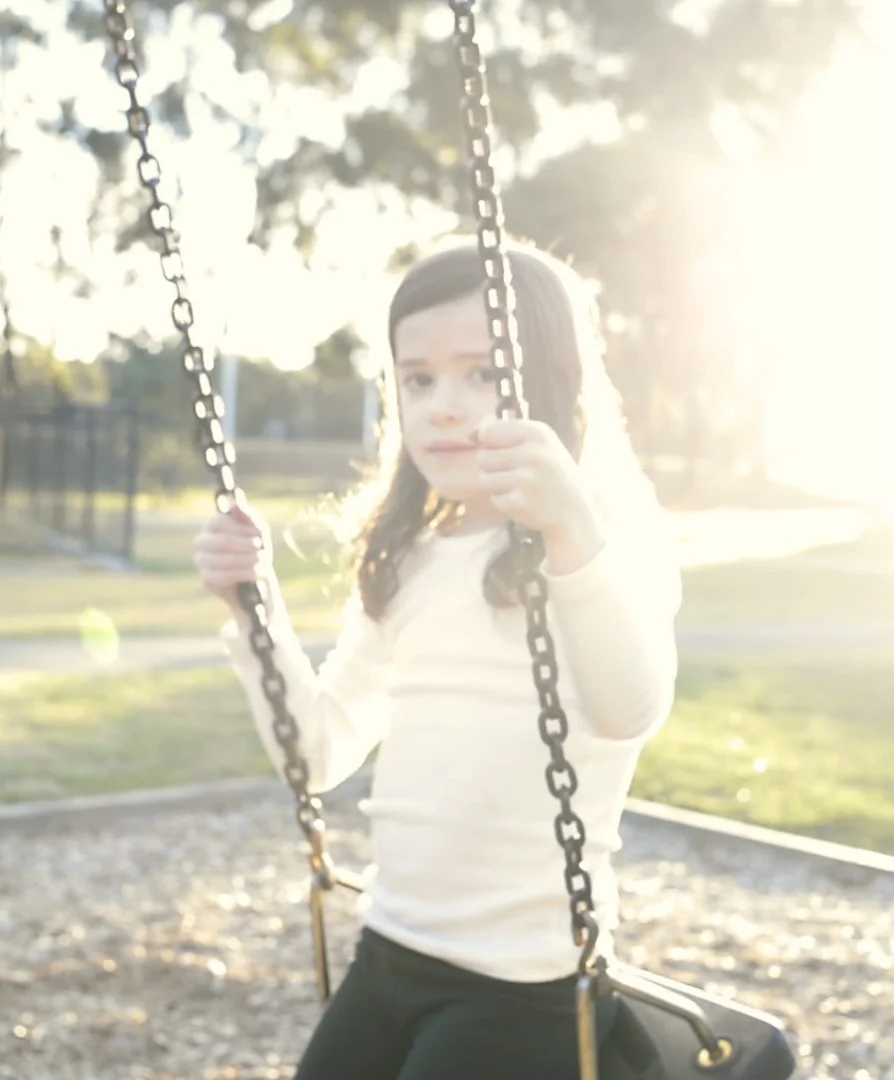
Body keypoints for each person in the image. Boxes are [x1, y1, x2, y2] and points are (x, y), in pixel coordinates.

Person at [193, 241, 682, 1080]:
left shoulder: (604, 550)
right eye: (418, 379)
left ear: (555, 387)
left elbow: (627, 709)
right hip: (392, 950)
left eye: (484, 374)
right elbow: (318, 752)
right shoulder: (414, 557)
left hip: (521, 987)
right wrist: (255, 610)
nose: (444, 408)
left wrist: (569, 534)